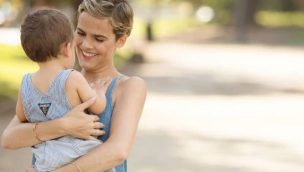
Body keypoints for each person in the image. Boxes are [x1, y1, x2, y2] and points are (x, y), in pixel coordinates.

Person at [1, 0, 147, 172]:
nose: (86, 44)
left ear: (121, 40)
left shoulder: (129, 87)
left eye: (99, 38)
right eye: (81, 33)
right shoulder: (57, 82)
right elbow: (9, 138)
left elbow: (117, 152)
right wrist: (64, 125)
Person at [13, 8, 114, 172]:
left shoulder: (25, 83)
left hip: (45, 160)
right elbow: (97, 106)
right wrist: (100, 92)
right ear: (67, 48)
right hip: (77, 154)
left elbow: (21, 115)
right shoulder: (71, 78)